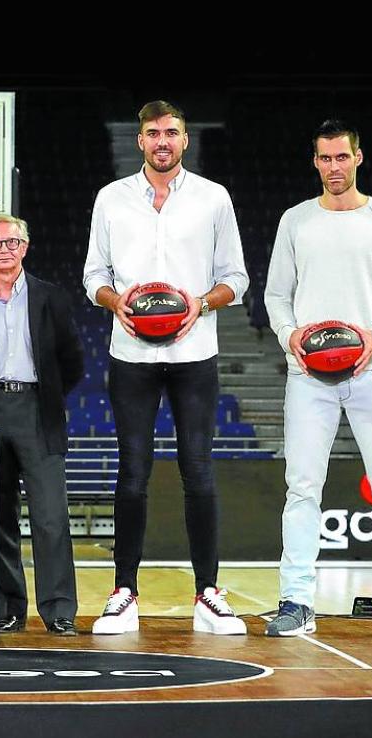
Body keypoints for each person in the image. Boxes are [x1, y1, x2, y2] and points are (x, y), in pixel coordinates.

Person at [81, 100, 250, 636]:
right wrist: (117, 302)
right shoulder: (111, 198)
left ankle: (208, 595)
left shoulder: (213, 198)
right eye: (153, 133)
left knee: (197, 471)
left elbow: (236, 277)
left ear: (184, 140)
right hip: (130, 355)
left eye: (171, 133)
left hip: (193, 354)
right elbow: (93, 276)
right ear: (140, 140)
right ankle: (123, 593)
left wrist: (200, 303)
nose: (162, 141)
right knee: (132, 473)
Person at [263, 119, 372, 640]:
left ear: (359, 157)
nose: (334, 167)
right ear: (315, 162)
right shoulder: (295, 221)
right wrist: (290, 336)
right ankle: (295, 601)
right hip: (307, 375)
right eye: (325, 158)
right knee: (301, 488)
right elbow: (274, 297)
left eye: (342, 157)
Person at [0, 213, 85, 636]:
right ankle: (7, 607)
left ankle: (59, 608)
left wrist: (44, 397)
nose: (4, 250)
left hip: (36, 411)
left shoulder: (52, 298)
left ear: (25, 248)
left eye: (11, 242)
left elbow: (73, 363)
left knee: (50, 518)